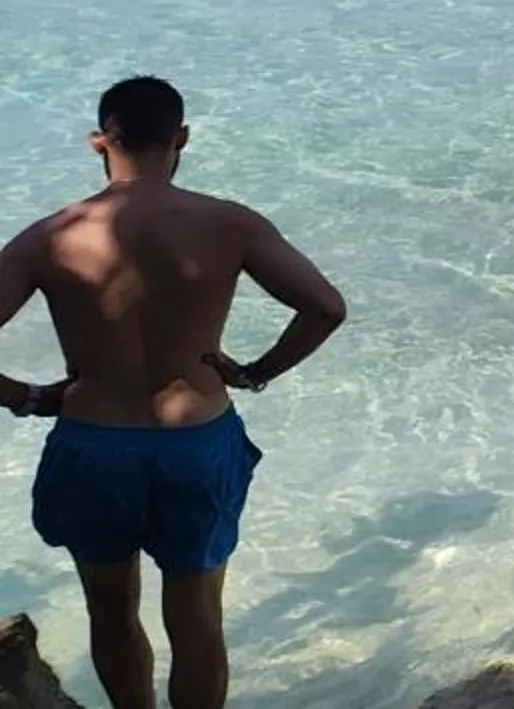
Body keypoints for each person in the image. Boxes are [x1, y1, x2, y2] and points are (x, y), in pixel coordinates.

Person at [0, 77, 347, 709]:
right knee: (196, 621)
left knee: (110, 612)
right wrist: (255, 370)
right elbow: (324, 307)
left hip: (95, 445)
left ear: (98, 143)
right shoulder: (229, 223)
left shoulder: (51, 236)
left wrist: (24, 395)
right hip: (196, 442)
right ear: (181, 139)